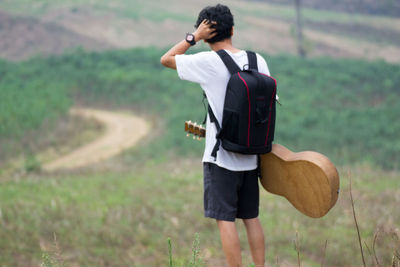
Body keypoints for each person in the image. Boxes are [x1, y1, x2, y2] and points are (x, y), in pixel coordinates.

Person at [160, 4, 271, 267]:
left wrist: (193, 38)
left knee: (225, 219)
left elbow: (166, 59)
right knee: (251, 218)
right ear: (232, 30)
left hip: (221, 158)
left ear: (206, 32)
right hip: (252, 155)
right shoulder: (258, 60)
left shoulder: (208, 62)